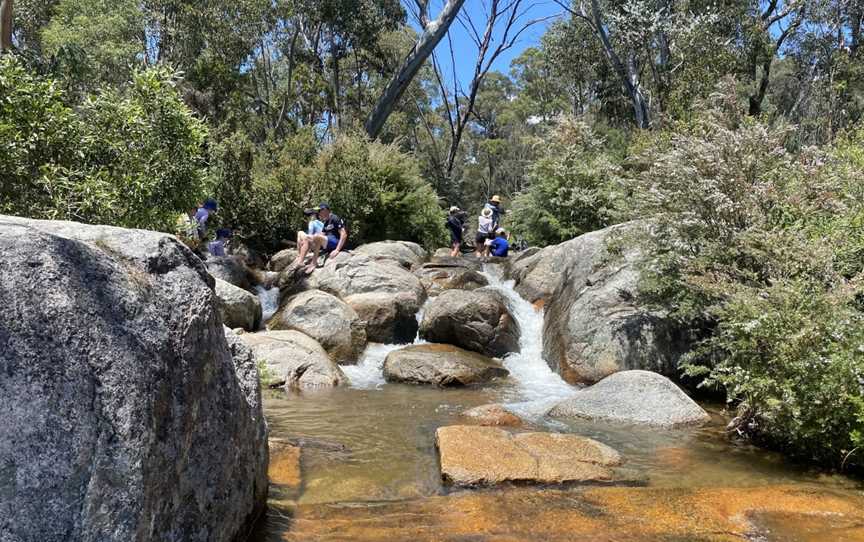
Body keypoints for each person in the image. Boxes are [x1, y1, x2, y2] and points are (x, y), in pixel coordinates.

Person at [294, 207, 328, 273]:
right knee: (304, 236)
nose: (308, 217)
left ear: (313, 215)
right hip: (321, 244)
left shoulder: (312, 222)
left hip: (314, 244)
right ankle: (300, 254)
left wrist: (304, 242)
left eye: (309, 216)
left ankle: (299, 256)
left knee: (300, 233)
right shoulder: (322, 223)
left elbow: (309, 236)